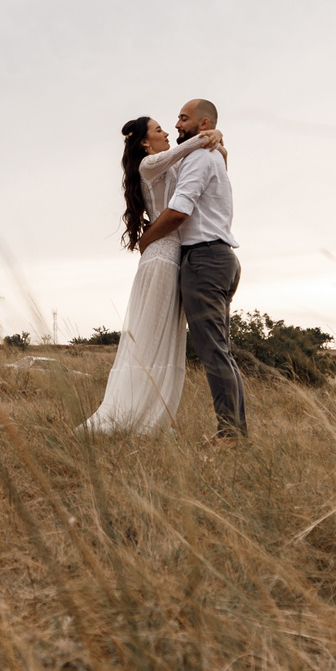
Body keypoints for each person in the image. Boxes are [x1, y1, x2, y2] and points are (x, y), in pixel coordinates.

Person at [79, 112, 226, 435]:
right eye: (159, 130)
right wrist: (210, 134)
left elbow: (203, 168)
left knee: (167, 339)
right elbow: (183, 151)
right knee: (150, 339)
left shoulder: (167, 166)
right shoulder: (150, 165)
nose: (166, 133)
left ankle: (153, 418)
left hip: (172, 254)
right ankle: (133, 417)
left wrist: (218, 141)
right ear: (145, 142)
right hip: (161, 256)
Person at [130, 99, 246, 441]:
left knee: (213, 351)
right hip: (220, 258)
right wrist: (218, 139)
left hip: (204, 260)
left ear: (203, 122)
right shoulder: (208, 155)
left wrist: (145, 240)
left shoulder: (198, 157)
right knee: (220, 350)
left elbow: (179, 211)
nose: (176, 124)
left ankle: (230, 435)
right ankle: (234, 432)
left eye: (183, 118)